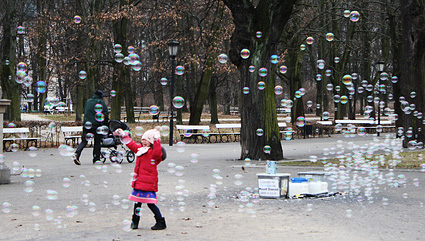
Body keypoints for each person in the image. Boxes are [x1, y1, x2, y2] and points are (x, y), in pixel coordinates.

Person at [114, 127, 166, 230]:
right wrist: (123, 135)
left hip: (148, 184)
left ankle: (160, 222)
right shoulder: (140, 150)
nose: (144, 141)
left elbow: (157, 151)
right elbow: (130, 144)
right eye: (143, 139)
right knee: (137, 203)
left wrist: (156, 139)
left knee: (151, 204)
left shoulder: (153, 154)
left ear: (151, 141)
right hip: (139, 183)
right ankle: (135, 223)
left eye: (146, 139)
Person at [73, 90, 109, 165]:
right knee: (97, 142)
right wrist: (105, 122)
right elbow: (105, 113)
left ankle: (77, 153)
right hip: (96, 125)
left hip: (87, 125)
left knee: (84, 141)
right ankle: (96, 159)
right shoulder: (100, 102)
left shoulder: (88, 101)